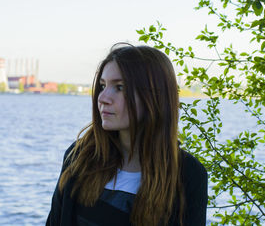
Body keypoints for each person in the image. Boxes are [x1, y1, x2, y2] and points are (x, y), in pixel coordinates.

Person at [46, 44, 208, 226]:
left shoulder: (189, 175)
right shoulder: (79, 157)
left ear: (154, 96)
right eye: (102, 86)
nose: (102, 98)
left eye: (120, 87)